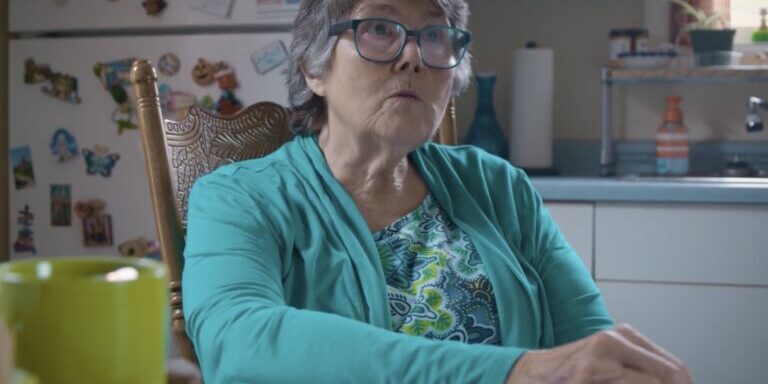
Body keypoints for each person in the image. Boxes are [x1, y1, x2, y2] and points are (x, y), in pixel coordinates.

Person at [182, 0, 693, 383]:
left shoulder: (498, 186)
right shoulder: (237, 198)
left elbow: (584, 339)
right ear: (314, 69)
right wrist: (517, 372)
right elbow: (238, 341)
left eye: (435, 35)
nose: (413, 56)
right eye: (379, 29)